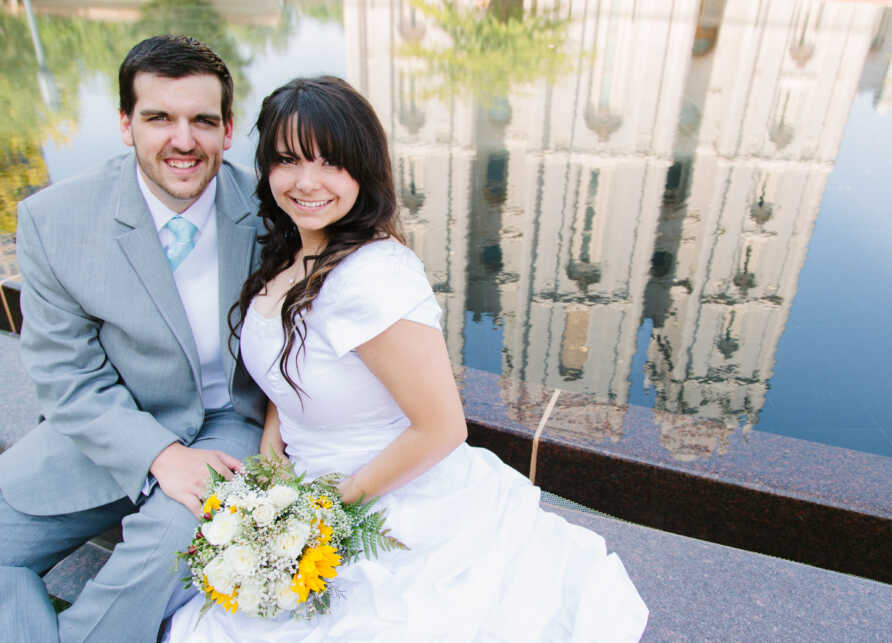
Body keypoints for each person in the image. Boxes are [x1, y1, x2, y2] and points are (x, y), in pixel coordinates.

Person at [166, 76, 649, 642]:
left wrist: (316, 519)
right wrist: (272, 482)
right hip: (303, 487)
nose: (306, 182)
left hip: (389, 496)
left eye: (329, 162)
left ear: (363, 169)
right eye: (287, 160)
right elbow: (282, 383)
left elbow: (442, 427)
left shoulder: (373, 278)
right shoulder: (288, 254)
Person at [0, 35, 267, 642]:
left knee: (167, 552)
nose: (183, 140)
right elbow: (66, 378)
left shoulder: (271, 209)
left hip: (228, 429)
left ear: (228, 130)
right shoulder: (55, 221)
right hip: (105, 433)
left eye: (202, 120)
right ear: (126, 124)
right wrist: (158, 455)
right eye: (159, 118)